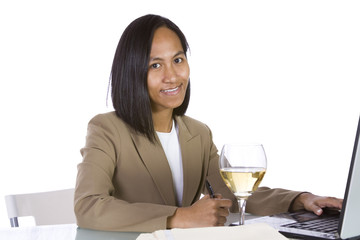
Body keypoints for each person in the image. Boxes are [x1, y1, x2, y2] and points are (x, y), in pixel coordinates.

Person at [74, 14, 342, 232]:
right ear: (132, 71)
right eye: (156, 65)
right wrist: (178, 217)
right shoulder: (107, 129)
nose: (172, 76)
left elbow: (236, 194)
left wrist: (300, 200)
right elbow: (88, 207)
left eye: (178, 60)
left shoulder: (198, 134)